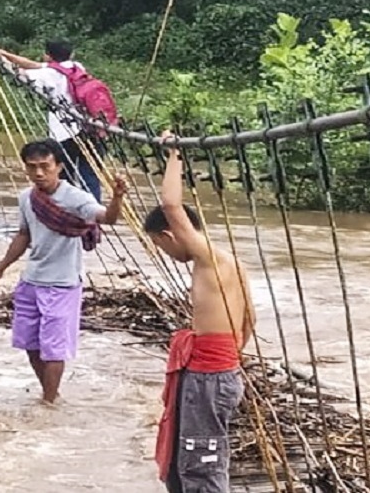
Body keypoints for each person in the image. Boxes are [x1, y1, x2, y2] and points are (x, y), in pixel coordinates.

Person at [146, 130, 255, 492]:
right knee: (199, 458)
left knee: (200, 463)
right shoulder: (231, 262)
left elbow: (171, 206)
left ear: (168, 236)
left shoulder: (206, 257)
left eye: (159, 246)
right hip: (222, 371)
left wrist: (174, 154)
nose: (166, 254)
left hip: (209, 378)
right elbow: (249, 319)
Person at [0, 139, 127, 405]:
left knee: (53, 349)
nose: (39, 173)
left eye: (45, 166)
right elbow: (24, 236)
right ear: (26, 169)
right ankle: (51, 395)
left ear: (59, 166)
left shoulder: (76, 198)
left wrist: (117, 198)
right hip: (30, 282)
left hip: (62, 284)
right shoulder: (27, 198)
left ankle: (48, 404)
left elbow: (106, 218)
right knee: (30, 344)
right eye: (32, 167)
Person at [0, 40, 103, 202]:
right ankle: (93, 216)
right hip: (90, 130)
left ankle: (64, 215)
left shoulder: (45, 75)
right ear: (72, 54)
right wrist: (2, 53)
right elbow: (33, 65)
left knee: (62, 179)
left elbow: (16, 72)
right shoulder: (77, 67)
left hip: (64, 135)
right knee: (89, 178)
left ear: (47, 55)